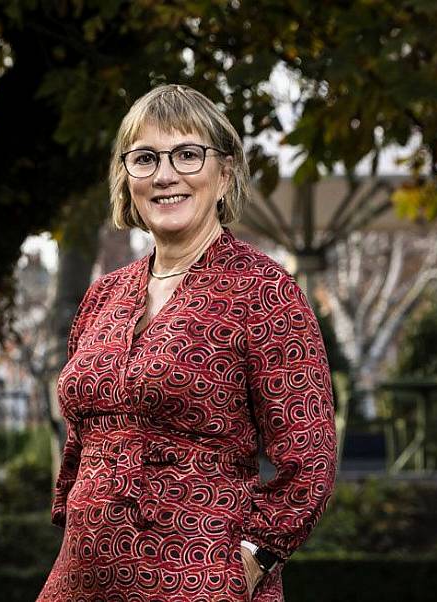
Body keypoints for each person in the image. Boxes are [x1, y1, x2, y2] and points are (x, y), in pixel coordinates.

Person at [38, 84, 336, 602]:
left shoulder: (264, 290)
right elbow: (79, 442)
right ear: (126, 177)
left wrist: (252, 560)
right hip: (82, 580)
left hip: (198, 580)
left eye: (187, 154)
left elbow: (309, 459)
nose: (165, 174)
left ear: (224, 174)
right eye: (145, 158)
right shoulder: (103, 295)